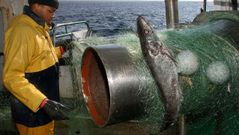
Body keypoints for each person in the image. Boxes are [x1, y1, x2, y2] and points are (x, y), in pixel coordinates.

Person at [3, 0, 70, 134]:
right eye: (50, 11)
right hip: (32, 114)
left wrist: (61, 50)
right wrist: (42, 102)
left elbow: (40, 56)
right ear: (36, 6)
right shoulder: (22, 31)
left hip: (46, 109)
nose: (53, 16)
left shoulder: (38, 26)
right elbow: (11, 77)